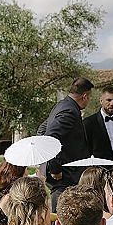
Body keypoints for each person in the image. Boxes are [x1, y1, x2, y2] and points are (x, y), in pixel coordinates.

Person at [41, 76, 94, 209]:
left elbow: (42, 129)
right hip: (64, 176)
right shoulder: (70, 111)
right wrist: (55, 168)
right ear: (85, 96)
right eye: (90, 97)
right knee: (63, 214)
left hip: (64, 174)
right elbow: (50, 136)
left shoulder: (61, 105)